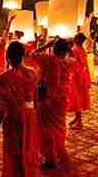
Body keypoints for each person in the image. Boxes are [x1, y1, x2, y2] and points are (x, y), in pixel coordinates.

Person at [0, 41, 40, 177]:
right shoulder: (33, 73)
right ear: (23, 56)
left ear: (7, 57)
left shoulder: (2, 79)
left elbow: (1, 109)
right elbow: (36, 99)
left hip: (14, 117)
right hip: (30, 116)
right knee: (29, 148)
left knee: (13, 152)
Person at [29, 38, 72, 170]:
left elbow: (32, 55)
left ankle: (50, 158)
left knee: (46, 129)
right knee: (59, 126)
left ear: (54, 48)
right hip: (62, 99)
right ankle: (60, 152)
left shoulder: (49, 59)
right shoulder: (68, 61)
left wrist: (45, 45)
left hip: (48, 100)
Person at [67, 33, 91, 129]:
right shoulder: (80, 49)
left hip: (77, 76)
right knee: (78, 97)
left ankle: (79, 121)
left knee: (76, 97)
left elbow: (73, 62)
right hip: (81, 75)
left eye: (75, 37)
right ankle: (77, 118)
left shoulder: (75, 49)